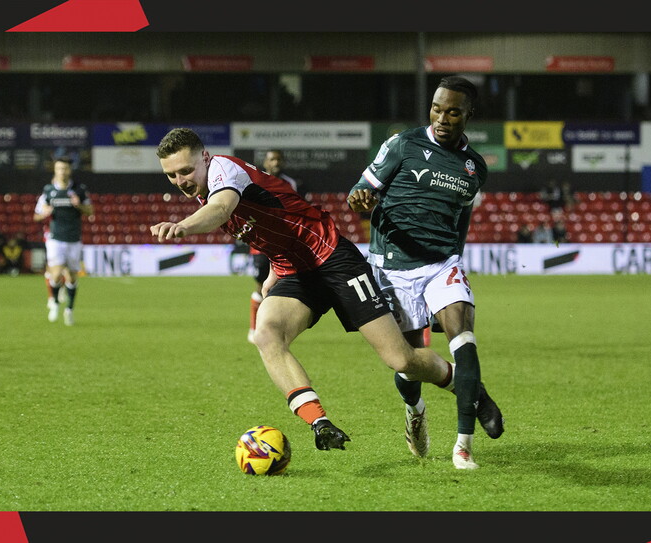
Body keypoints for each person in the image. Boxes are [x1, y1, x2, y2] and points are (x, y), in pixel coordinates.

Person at [151, 127, 460, 454]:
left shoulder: (223, 171)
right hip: (296, 271)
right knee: (267, 334)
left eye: (185, 170)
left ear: (205, 157)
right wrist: (275, 266)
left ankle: (468, 388)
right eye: (171, 175)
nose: (180, 181)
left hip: (333, 258)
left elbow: (221, 209)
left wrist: (182, 226)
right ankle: (320, 423)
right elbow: (277, 218)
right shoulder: (204, 188)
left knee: (401, 359)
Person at [347, 74, 505, 470]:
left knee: (464, 340)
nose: (442, 118)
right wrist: (360, 200)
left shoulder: (474, 167)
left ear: (469, 115)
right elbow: (360, 190)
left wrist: (456, 258)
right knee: (407, 362)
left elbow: (462, 217)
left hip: (441, 264)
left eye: (453, 112)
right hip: (391, 267)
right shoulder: (403, 144)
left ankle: (463, 447)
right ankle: (416, 409)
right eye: (436, 109)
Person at [246, 149, 301, 343]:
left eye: (278, 159)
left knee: (282, 285)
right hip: (261, 243)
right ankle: (254, 328)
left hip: (283, 241)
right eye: (272, 159)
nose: (276, 162)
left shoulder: (291, 183)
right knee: (261, 284)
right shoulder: (255, 181)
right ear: (266, 163)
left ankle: (276, 328)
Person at [33, 156, 94, 326]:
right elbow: (36, 215)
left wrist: (79, 205)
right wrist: (44, 213)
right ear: (55, 170)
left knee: (73, 277)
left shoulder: (79, 190)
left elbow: (90, 211)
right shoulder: (48, 191)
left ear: (70, 170)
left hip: (74, 239)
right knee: (57, 273)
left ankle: (69, 310)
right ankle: (54, 302)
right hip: (56, 238)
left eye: (65, 168)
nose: (62, 171)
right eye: (59, 168)